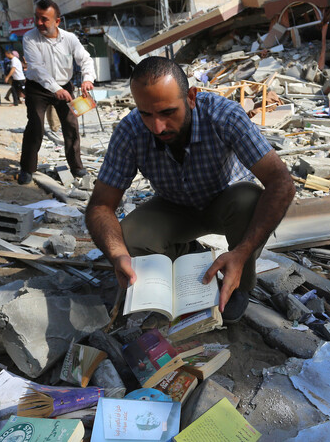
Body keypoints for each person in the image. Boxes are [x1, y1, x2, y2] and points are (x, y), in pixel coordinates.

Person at [85, 57, 295, 323]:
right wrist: (117, 255)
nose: (157, 127)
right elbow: (100, 206)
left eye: (168, 112)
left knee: (249, 201)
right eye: (146, 114)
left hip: (227, 205)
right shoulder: (131, 131)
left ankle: (240, 281)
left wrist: (242, 253)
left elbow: (281, 182)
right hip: (175, 206)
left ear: (192, 97)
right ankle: (188, 257)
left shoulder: (224, 116)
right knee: (131, 235)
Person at [19, 0, 95, 185]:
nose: (38, 23)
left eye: (44, 19)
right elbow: (37, 68)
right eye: (36, 18)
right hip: (38, 88)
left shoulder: (69, 39)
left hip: (65, 87)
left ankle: (77, 167)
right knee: (35, 127)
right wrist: (56, 89)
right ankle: (27, 169)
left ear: (57, 21)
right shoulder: (29, 38)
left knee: (71, 127)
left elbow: (85, 59)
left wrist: (87, 79)